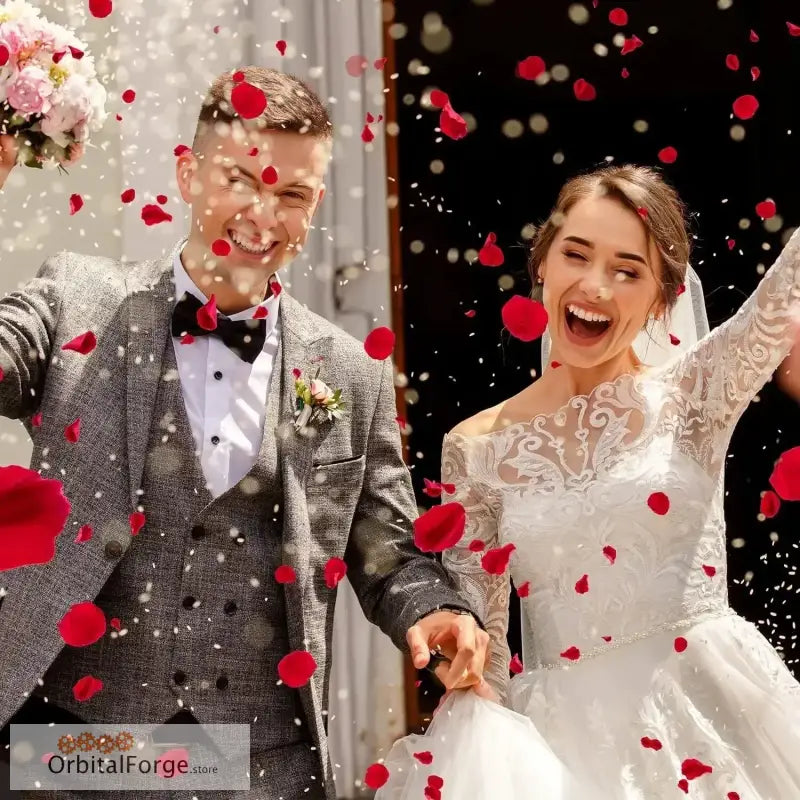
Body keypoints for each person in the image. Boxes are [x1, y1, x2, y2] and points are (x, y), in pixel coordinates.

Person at [0, 67, 489, 800]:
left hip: (262, 763)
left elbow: (388, 549)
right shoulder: (76, 298)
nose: (264, 215)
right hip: (78, 747)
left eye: (292, 194)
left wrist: (438, 608)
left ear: (317, 203)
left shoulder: (349, 373)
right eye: (240, 179)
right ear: (188, 174)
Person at [379, 165, 800, 799]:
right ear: (542, 264)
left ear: (662, 298)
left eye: (628, 270)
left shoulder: (697, 392)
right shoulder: (476, 447)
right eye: (576, 254)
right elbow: (485, 649)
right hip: (565, 755)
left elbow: (788, 285)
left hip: (715, 721)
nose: (595, 285)